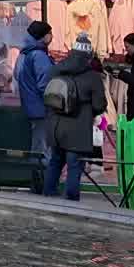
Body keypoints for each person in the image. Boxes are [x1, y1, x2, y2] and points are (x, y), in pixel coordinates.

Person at [41, 33, 107, 201]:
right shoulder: (93, 77)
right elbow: (99, 105)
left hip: (55, 125)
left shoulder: (56, 69)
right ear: (88, 56)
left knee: (55, 161)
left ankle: (48, 195)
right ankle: (71, 200)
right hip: (78, 128)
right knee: (74, 165)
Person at [12, 20, 55, 194]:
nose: (52, 36)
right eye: (50, 33)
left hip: (29, 107)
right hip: (42, 109)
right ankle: (43, 186)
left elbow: (16, 75)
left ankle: (37, 183)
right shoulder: (39, 55)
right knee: (43, 149)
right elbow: (46, 84)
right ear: (43, 35)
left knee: (37, 147)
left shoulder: (23, 54)